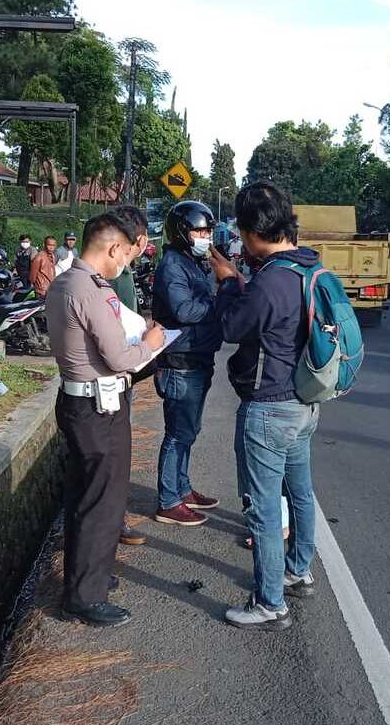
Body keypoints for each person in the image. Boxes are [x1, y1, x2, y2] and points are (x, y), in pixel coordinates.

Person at [44, 213, 166, 627]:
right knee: (103, 501)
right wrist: (151, 343)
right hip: (99, 408)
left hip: (77, 402)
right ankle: (84, 597)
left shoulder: (64, 282)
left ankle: (87, 577)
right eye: (125, 257)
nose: (126, 265)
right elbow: (119, 358)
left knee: (84, 493)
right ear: (113, 248)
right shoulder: (91, 291)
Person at [213, 180, 320, 630]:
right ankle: (298, 569)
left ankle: (270, 602)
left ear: (253, 230)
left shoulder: (270, 281)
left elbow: (234, 328)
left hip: (270, 406)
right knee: (300, 492)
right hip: (305, 402)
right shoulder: (310, 267)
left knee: (263, 506)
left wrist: (228, 285)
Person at [150, 200, 223, 526]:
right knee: (178, 433)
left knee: (189, 431)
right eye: (199, 230)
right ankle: (168, 500)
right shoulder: (172, 265)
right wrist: (221, 304)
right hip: (180, 361)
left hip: (197, 357)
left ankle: (182, 488)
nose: (205, 236)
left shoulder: (193, 262)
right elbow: (184, 311)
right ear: (182, 232)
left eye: (208, 231)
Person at [110, 204, 153, 547]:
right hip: (111, 376)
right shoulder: (111, 275)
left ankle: (112, 518)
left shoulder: (123, 273)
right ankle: (111, 522)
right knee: (110, 455)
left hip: (122, 373)